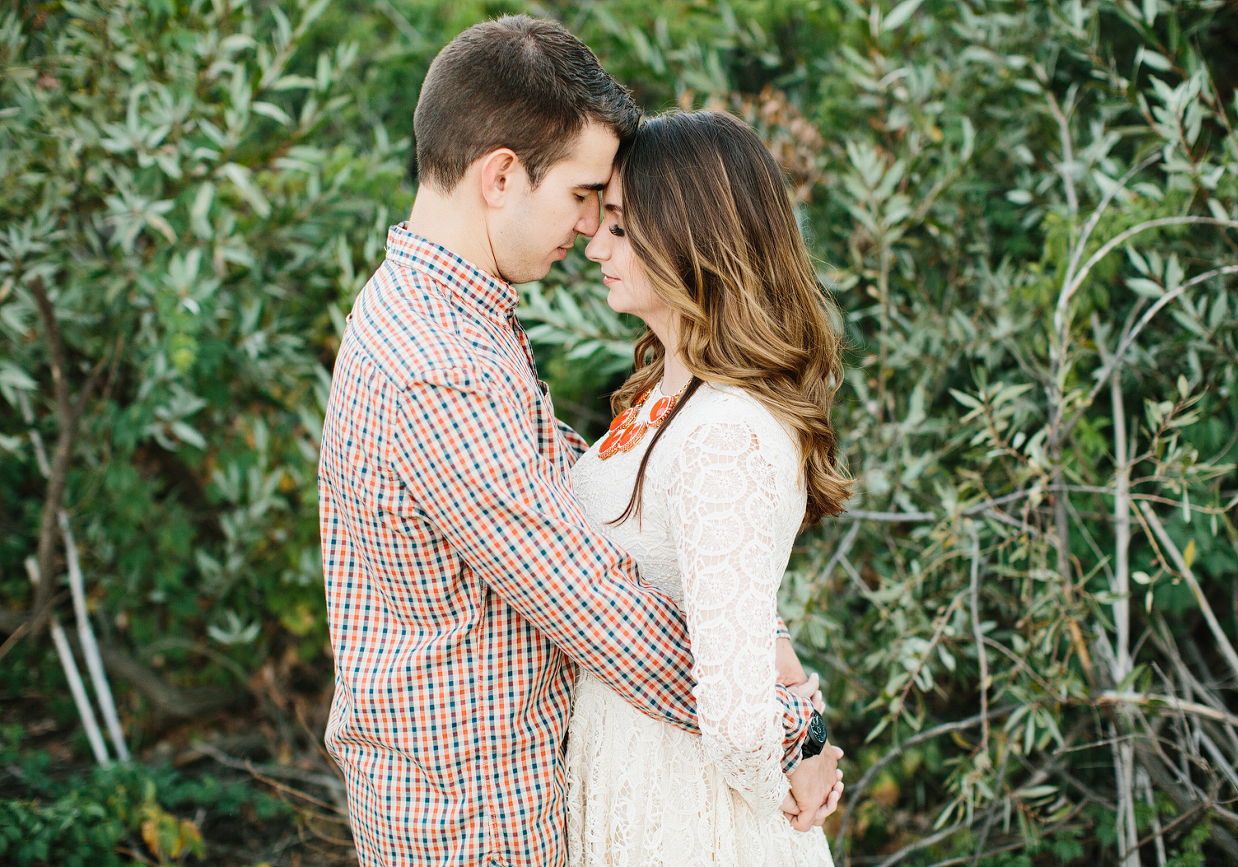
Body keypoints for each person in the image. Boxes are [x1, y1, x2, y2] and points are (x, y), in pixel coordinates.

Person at [316, 16, 841, 867]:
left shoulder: (453, 320)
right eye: (581, 195)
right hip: (473, 815)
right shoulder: (437, 361)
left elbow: (582, 486)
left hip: (502, 798)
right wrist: (797, 729)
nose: (590, 230)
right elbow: (596, 609)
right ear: (499, 176)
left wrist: (753, 628)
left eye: (614, 213)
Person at [564, 109, 852, 867]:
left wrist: (796, 761)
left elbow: (739, 724)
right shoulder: (664, 394)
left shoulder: (725, 429)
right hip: (640, 780)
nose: (594, 245)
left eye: (621, 228)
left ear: (694, 239)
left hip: (692, 820)